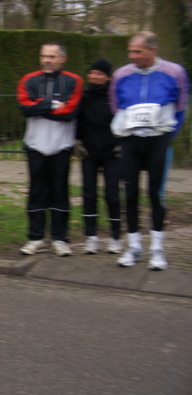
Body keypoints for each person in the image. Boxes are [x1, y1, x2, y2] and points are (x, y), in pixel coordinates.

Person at [110, 31, 188, 270]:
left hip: (158, 141)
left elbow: (182, 106)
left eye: (138, 52)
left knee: (156, 194)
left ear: (152, 50)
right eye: (130, 52)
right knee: (130, 195)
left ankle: (157, 249)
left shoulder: (174, 72)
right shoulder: (121, 75)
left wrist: (167, 137)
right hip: (131, 141)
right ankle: (134, 247)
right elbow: (115, 107)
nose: (132, 56)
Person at [17, 42, 83, 257]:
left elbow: (70, 112)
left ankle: (60, 238)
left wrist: (39, 106)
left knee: (59, 192)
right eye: (44, 56)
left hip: (61, 147)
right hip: (36, 145)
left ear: (62, 58)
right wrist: (53, 105)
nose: (47, 60)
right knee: (36, 192)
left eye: (52, 57)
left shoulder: (74, 81)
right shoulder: (28, 80)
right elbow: (24, 108)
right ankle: (35, 238)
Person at [75, 58, 122, 255]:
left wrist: (120, 143)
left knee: (112, 194)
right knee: (89, 194)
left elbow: (123, 119)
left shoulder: (115, 97)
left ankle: (115, 237)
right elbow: (77, 120)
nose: (95, 77)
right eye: (92, 73)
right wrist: (78, 142)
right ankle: (91, 237)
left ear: (108, 77)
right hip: (89, 152)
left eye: (100, 74)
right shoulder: (84, 96)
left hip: (112, 153)